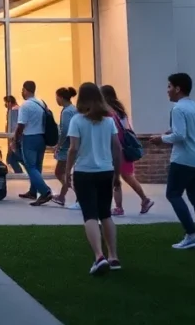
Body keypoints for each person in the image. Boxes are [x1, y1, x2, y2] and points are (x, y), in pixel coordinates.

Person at [67, 82, 122, 275]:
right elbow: (117, 147)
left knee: (89, 214)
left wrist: (67, 173)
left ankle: (99, 256)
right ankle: (113, 256)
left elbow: (73, 149)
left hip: (84, 171)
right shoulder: (109, 121)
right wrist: (117, 173)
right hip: (106, 171)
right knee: (105, 213)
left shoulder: (77, 120)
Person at [156, 73, 195, 250]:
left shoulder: (178, 109)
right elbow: (194, 131)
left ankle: (191, 233)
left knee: (173, 194)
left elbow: (180, 136)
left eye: (169, 86)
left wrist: (161, 138)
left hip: (183, 160)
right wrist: (170, 132)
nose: (167, 91)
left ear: (177, 88)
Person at [101, 84, 154, 216]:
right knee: (127, 177)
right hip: (125, 148)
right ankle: (144, 199)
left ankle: (119, 207)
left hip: (116, 149)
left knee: (116, 179)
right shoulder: (120, 110)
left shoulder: (108, 112)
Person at [12, 81, 53, 205]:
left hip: (29, 138)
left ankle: (45, 191)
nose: (22, 92)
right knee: (37, 166)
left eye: (22, 90)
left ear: (25, 90)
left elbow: (21, 125)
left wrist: (15, 139)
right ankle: (33, 191)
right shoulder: (41, 103)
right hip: (41, 138)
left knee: (30, 166)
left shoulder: (25, 106)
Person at [52, 87, 80, 209]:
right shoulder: (74, 109)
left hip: (67, 146)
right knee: (63, 172)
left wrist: (59, 144)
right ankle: (62, 195)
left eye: (57, 97)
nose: (56, 100)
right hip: (74, 144)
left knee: (60, 172)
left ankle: (76, 194)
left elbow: (65, 130)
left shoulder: (67, 111)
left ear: (61, 98)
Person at [3, 96, 25, 173]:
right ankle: (22, 171)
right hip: (17, 136)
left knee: (13, 157)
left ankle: (21, 172)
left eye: (5, 102)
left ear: (10, 102)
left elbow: (14, 125)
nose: (5, 104)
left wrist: (12, 138)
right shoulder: (19, 109)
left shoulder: (13, 111)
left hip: (15, 137)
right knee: (13, 157)